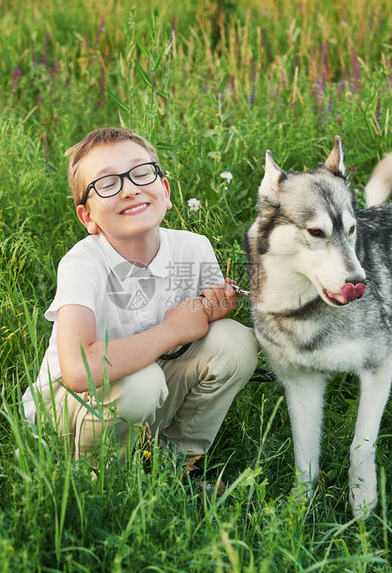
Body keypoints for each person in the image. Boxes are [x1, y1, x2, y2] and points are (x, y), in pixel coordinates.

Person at [22, 127, 258, 463]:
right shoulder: (81, 264)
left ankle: (175, 464)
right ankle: (98, 477)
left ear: (165, 189)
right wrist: (173, 330)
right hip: (69, 413)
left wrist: (214, 309)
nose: (130, 189)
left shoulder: (193, 248)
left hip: (147, 392)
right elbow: (77, 370)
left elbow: (203, 331)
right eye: (106, 183)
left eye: (141, 173)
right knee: (140, 383)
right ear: (87, 216)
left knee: (234, 341)